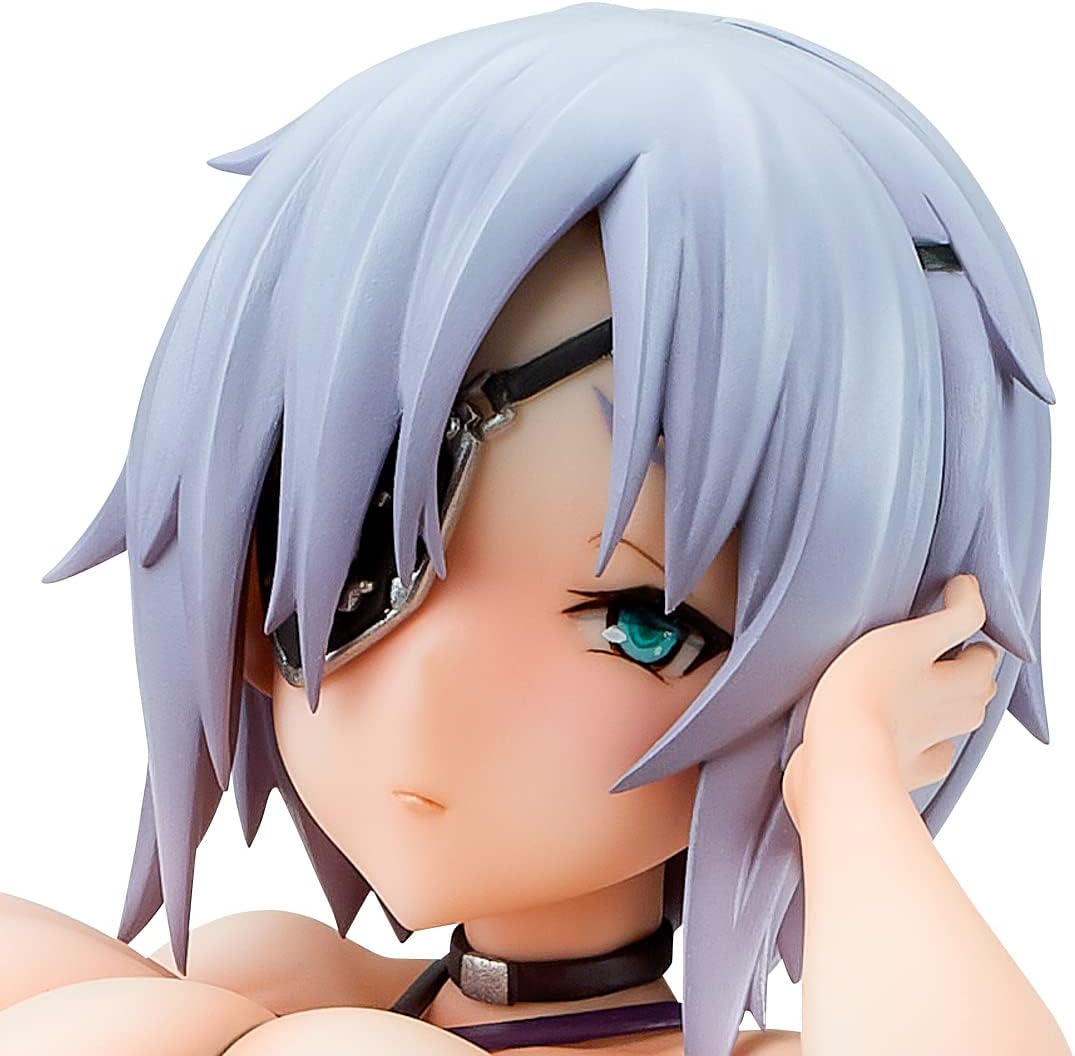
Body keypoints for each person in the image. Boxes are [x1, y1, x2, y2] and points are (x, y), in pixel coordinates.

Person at [0, 6, 1067, 1054]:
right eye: (360, 560)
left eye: (642, 626)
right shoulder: (267, 978)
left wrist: (849, 779)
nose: (432, 695)